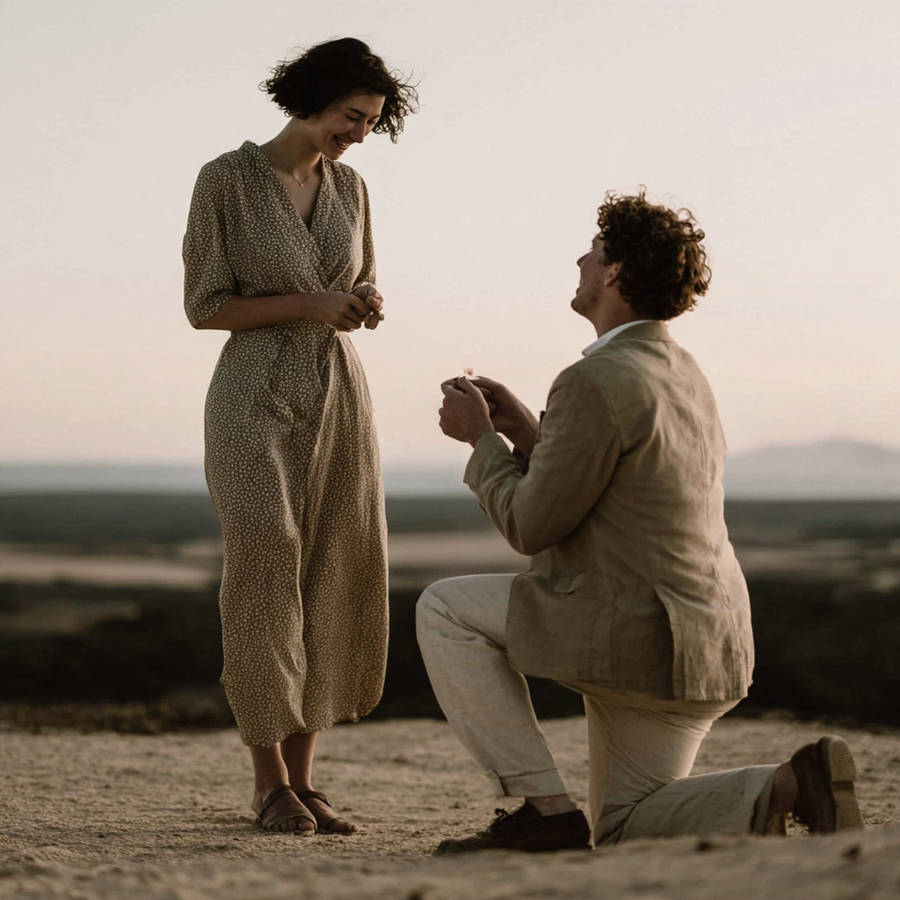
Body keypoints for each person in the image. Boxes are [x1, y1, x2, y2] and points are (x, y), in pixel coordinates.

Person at [417, 190, 864, 852]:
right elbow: (617, 486)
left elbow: (531, 525)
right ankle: (790, 786)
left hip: (634, 634)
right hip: (708, 645)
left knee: (445, 610)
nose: (580, 258)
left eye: (593, 251)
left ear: (614, 274)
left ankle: (544, 811)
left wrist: (480, 441)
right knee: (626, 825)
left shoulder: (594, 378)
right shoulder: (681, 371)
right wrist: (526, 432)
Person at [182, 37, 416, 834]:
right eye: (352, 117)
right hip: (252, 395)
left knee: (336, 570)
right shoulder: (226, 180)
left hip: (339, 397)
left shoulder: (351, 189)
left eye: (371, 123)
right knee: (263, 567)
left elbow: (357, 283)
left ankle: (308, 782)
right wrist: (313, 305)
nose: (358, 135)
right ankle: (267, 780)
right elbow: (205, 306)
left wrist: (362, 302)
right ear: (311, 97)